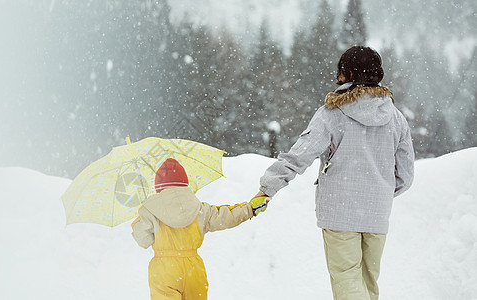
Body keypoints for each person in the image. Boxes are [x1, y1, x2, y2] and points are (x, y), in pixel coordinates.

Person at [253, 46, 415, 300]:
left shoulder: (332, 114)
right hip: (377, 214)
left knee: (348, 284)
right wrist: (377, 191)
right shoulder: (396, 118)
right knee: (368, 286)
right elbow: (405, 175)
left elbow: (299, 155)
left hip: (339, 212)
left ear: (348, 73)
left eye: (340, 70)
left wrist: (267, 187)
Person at [132, 158, 268, 300]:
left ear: (158, 186)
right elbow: (226, 216)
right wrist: (250, 208)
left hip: (164, 270)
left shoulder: (150, 210)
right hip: (193, 269)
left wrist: (139, 220)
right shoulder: (200, 209)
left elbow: (144, 240)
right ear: (184, 183)